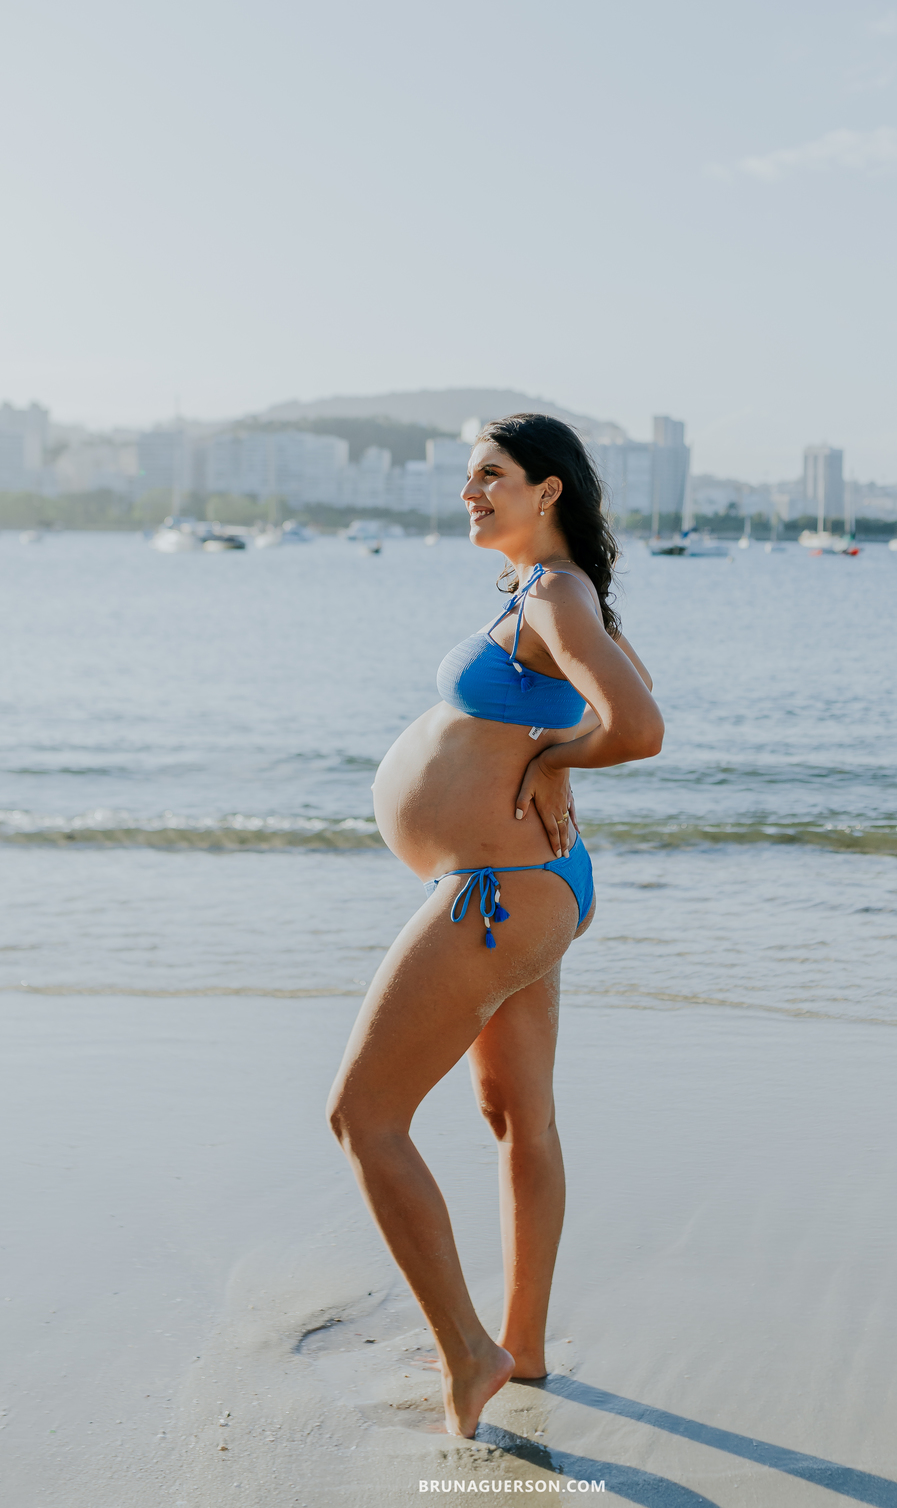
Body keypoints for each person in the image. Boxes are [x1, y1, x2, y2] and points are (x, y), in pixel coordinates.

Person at [327, 413, 663, 1438]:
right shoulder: (549, 594)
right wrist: (551, 751)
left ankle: (470, 1354)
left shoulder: (557, 591)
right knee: (518, 1121)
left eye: (491, 475)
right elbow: (628, 693)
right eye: (469, 476)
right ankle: (521, 1348)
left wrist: (551, 762)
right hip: (526, 886)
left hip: (497, 893)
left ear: (548, 489)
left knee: (363, 1117)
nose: (470, 492)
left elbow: (640, 727)